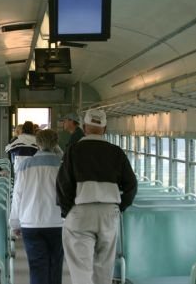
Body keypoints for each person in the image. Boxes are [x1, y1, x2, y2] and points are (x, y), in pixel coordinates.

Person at [56, 109, 137, 284]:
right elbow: (131, 185)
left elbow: (63, 184)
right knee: (104, 268)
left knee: (81, 270)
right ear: (105, 129)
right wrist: (119, 207)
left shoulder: (73, 151)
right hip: (109, 212)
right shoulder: (117, 153)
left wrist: (67, 211)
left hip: (80, 212)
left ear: (84, 128)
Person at [10, 129, 64, 284]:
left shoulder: (25, 165)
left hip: (30, 222)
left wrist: (15, 223)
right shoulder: (62, 165)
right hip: (57, 222)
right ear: (55, 143)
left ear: (37, 144)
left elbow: (18, 196)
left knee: (36, 266)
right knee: (55, 265)